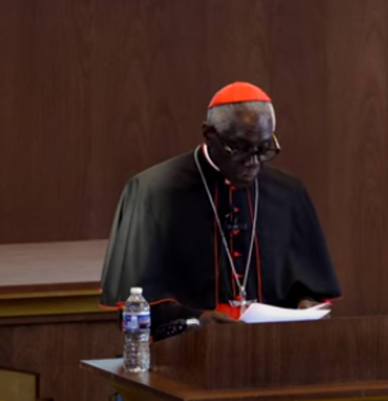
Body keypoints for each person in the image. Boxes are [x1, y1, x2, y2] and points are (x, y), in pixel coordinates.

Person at [99, 82, 341, 335]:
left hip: (273, 347)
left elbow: (310, 288)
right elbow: (135, 305)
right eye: (240, 148)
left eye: (263, 148)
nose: (253, 162)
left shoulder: (288, 192)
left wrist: (306, 307)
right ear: (208, 134)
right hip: (183, 354)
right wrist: (198, 320)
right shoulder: (152, 192)